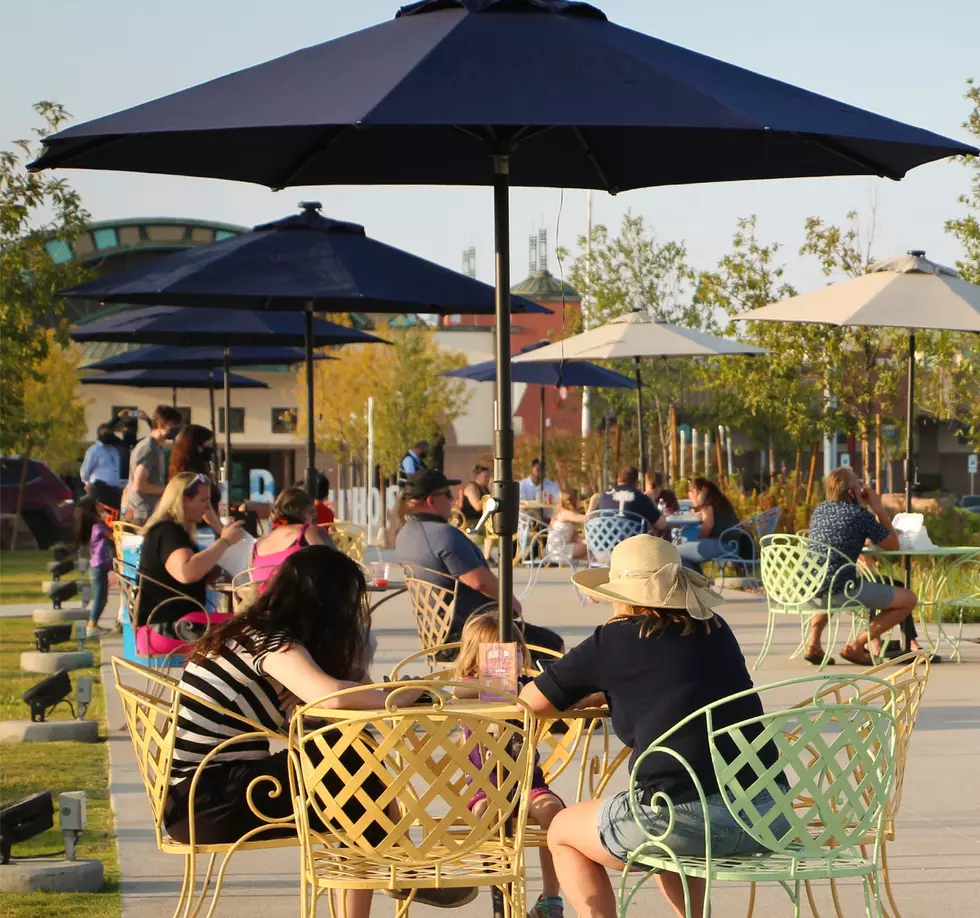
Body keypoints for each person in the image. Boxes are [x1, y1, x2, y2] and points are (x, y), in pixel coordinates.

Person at [166, 545, 474, 916]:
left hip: (199, 798)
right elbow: (331, 701)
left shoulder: (250, 632)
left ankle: (397, 863)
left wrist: (348, 684)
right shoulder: (271, 642)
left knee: (348, 769)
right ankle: (398, 865)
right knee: (349, 771)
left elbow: (317, 710)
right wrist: (402, 694)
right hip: (213, 802)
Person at [519, 535, 789, 918]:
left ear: (621, 593)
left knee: (563, 829)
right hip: (766, 815)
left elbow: (530, 702)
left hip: (683, 823)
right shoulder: (715, 627)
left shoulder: (614, 640)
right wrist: (612, 689)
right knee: (674, 801)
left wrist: (600, 686)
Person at [454, 612, 570, 918]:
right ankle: (501, 893)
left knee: (553, 812)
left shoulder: (528, 686)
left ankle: (551, 897)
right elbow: (455, 690)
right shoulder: (469, 688)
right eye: (495, 653)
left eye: (513, 651)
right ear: (475, 657)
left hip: (528, 784)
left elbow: (562, 697)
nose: (507, 659)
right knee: (487, 815)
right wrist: (495, 683)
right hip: (486, 788)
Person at [394, 470, 564, 657]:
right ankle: (534, 687)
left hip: (437, 634)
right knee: (553, 646)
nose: (453, 501)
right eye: (447, 495)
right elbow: (478, 581)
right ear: (431, 501)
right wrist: (511, 604)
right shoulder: (443, 535)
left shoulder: (404, 535)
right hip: (471, 634)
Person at [805, 467, 918, 666]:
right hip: (841, 589)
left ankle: (813, 643)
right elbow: (893, 545)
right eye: (859, 485)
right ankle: (857, 645)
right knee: (908, 598)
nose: (863, 488)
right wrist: (878, 507)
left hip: (810, 587)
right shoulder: (859, 515)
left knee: (828, 578)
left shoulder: (820, 509)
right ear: (851, 493)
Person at [136, 472, 244, 649]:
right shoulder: (168, 531)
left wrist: (216, 525)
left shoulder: (172, 531)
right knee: (251, 628)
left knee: (247, 624)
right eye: (203, 500)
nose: (207, 507)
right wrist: (224, 541)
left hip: (171, 625)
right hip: (170, 628)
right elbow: (187, 573)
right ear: (183, 500)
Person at [250, 487, 333, 584]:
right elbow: (339, 567)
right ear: (307, 512)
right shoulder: (309, 532)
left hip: (266, 598)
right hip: (298, 598)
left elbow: (252, 585)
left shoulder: (256, 546)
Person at [73, 483, 120, 638]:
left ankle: (94, 624)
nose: (102, 506)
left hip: (99, 567)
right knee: (100, 597)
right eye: (98, 505)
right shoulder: (98, 527)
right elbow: (115, 537)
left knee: (102, 597)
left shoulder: (96, 526)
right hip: (98, 567)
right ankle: (91, 626)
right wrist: (125, 520)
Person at [125, 405, 183, 525]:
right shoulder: (149, 449)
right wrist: (170, 489)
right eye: (173, 426)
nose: (176, 430)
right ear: (160, 424)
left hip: (146, 512)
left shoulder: (156, 448)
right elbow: (139, 486)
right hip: (144, 514)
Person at [677, 477, 745, 575]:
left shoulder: (707, 504)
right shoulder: (717, 500)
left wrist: (694, 539)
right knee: (688, 554)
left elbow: (707, 527)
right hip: (731, 544)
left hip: (722, 545)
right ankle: (699, 582)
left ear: (695, 491)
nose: (689, 496)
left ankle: (698, 583)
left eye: (690, 492)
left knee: (677, 552)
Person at [589, 466, 666, 535]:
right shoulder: (641, 498)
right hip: (633, 547)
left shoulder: (604, 496)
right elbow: (661, 525)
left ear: (618, 480)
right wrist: (652, 500)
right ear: (636, 482)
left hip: (605, 545)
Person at [79, 423, 122, 494]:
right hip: (98, 488)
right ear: (99, 435)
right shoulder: (94, 450)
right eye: (105, 433)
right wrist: (87, 483)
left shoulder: (114, 451)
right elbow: (85, 470)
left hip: (114, 489)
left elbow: (117, 471)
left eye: (109, 433)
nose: (108, 435)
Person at [547, 488, 587, 561]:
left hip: (558, 547)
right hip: (559, 549)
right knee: (589, 547)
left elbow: (574, 537)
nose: (581, 502)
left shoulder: (561, 513)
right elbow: (587, 519)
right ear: (571, 502)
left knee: (589, 549)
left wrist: (584, 540)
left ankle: (592, 568)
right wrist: (592, 508)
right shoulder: (565, 514)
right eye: (578, 500)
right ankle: (597, 566)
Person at [459, 464, 491, 529]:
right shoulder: (472, 488)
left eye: (489, 476)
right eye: (485, 476)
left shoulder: (484, 488)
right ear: (477, 477)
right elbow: (477, 507)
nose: (488, 479)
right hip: (471, 522)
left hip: (481, 521)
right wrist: (489, 498)